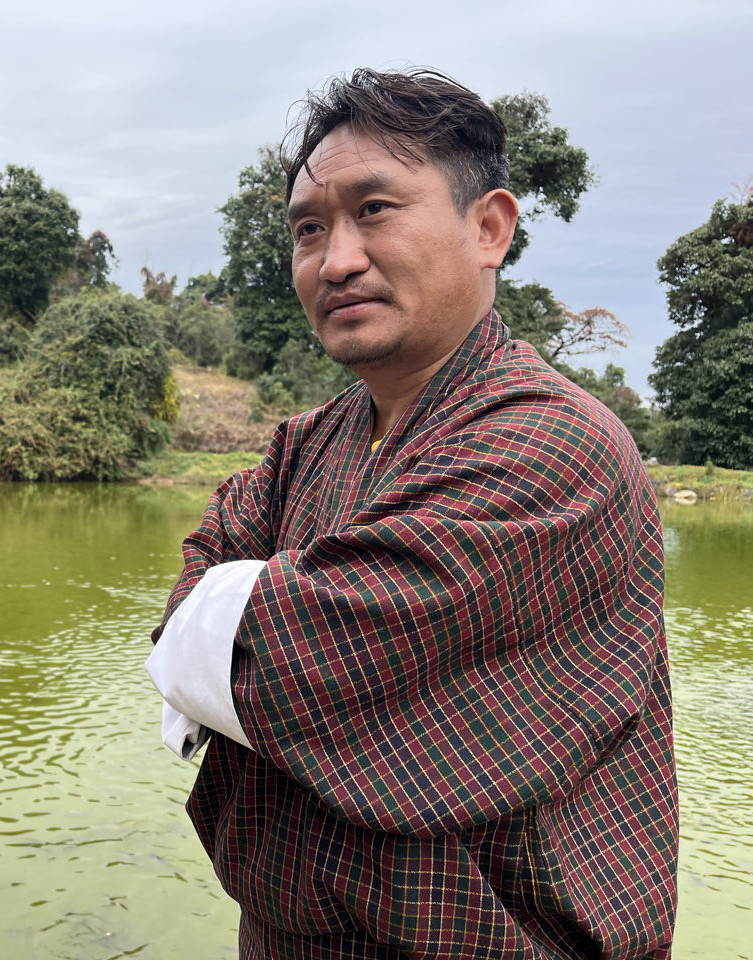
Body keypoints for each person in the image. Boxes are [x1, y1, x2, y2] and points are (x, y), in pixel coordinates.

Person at [146, 68, 678, 960]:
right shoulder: (306, 443)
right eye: (309, 229)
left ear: (489, 228)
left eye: (375, 210)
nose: (336, 260)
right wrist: (218, 612)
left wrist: (232, 610)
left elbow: (281, 661)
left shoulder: (553, 447)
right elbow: (196, 580)